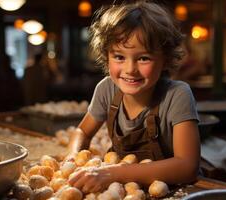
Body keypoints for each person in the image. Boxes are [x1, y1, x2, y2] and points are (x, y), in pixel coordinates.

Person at [66, 0, 200, 193]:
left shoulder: (177, 95)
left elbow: (187, 167)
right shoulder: (107, 89)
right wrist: (72, 156)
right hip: (128, 191)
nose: (130, 70)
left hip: (174, 191)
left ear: (165, 60)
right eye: (119, 57)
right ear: (106, 55)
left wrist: (113, 173)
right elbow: (83, 132)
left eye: (143, 58)